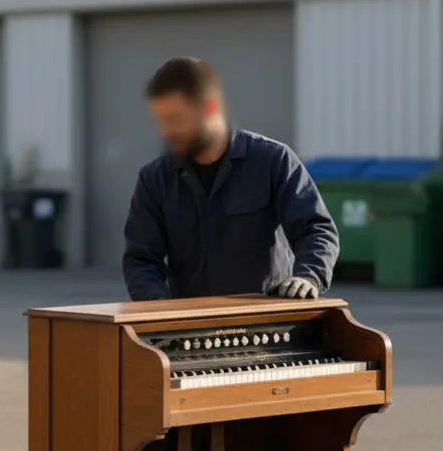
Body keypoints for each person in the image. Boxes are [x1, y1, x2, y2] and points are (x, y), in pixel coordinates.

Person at [122, 57, 339, 302]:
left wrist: (308, 276)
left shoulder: (273, 161)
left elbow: (316, 229)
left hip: (267, 324)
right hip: (190, 330)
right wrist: (158, 310)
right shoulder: (155, 180)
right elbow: (141, 260)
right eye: (161, 120)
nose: (165, 131)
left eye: (175, 119)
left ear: (209, 108)